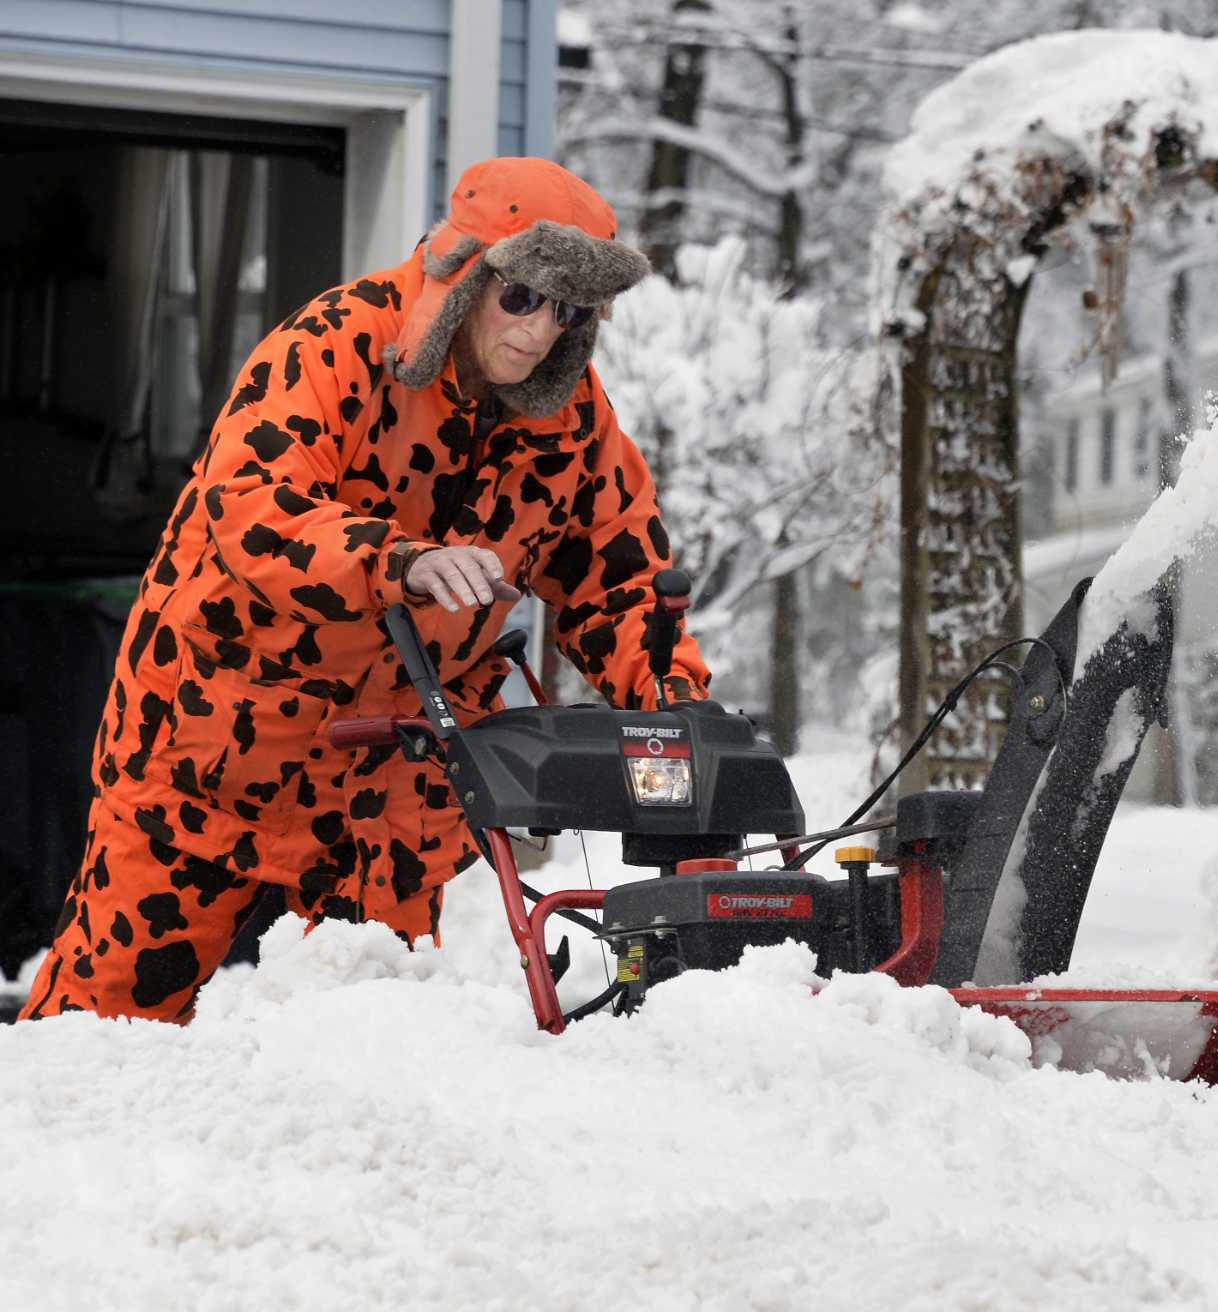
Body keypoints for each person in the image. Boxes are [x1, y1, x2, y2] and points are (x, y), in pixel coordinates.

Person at [21, 157, 710, 1023]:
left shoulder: (573, 420)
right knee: (105, 1021)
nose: (540, 334)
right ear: (467, 275)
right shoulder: (338, 341)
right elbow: (251, 509)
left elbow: (620, 582)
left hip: (395, 784)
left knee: (367, 1039)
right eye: (523, 299)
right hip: (215, 742)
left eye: (569, 311)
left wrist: (677, 699)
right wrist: (397, 561)